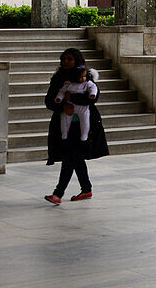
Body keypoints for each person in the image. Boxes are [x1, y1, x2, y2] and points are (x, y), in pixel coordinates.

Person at [44, 48, 108, 205]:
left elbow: (92, 98)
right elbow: (49, 100)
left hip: (83, 125)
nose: (66, 62)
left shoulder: (86, 77)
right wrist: (62, 106)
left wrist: (71, 98)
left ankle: (58, 194)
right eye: (64, 59)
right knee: (75, 157)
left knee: (70, 157)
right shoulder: (58, 78)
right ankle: (86, 189)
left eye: (70, 59)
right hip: (65, 124)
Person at [54, 66, 98, 141]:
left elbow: (93, 87)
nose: (82, 79)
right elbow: (62, 91)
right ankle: (64, 133)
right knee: (65, 119)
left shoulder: (87, 83)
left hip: (83, 107)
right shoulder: (68, 84)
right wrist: (59, 98)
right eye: (80, 77)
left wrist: (92, 94)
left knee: (85, 120)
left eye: (84, 76)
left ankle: (84, 135)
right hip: (70, 105)